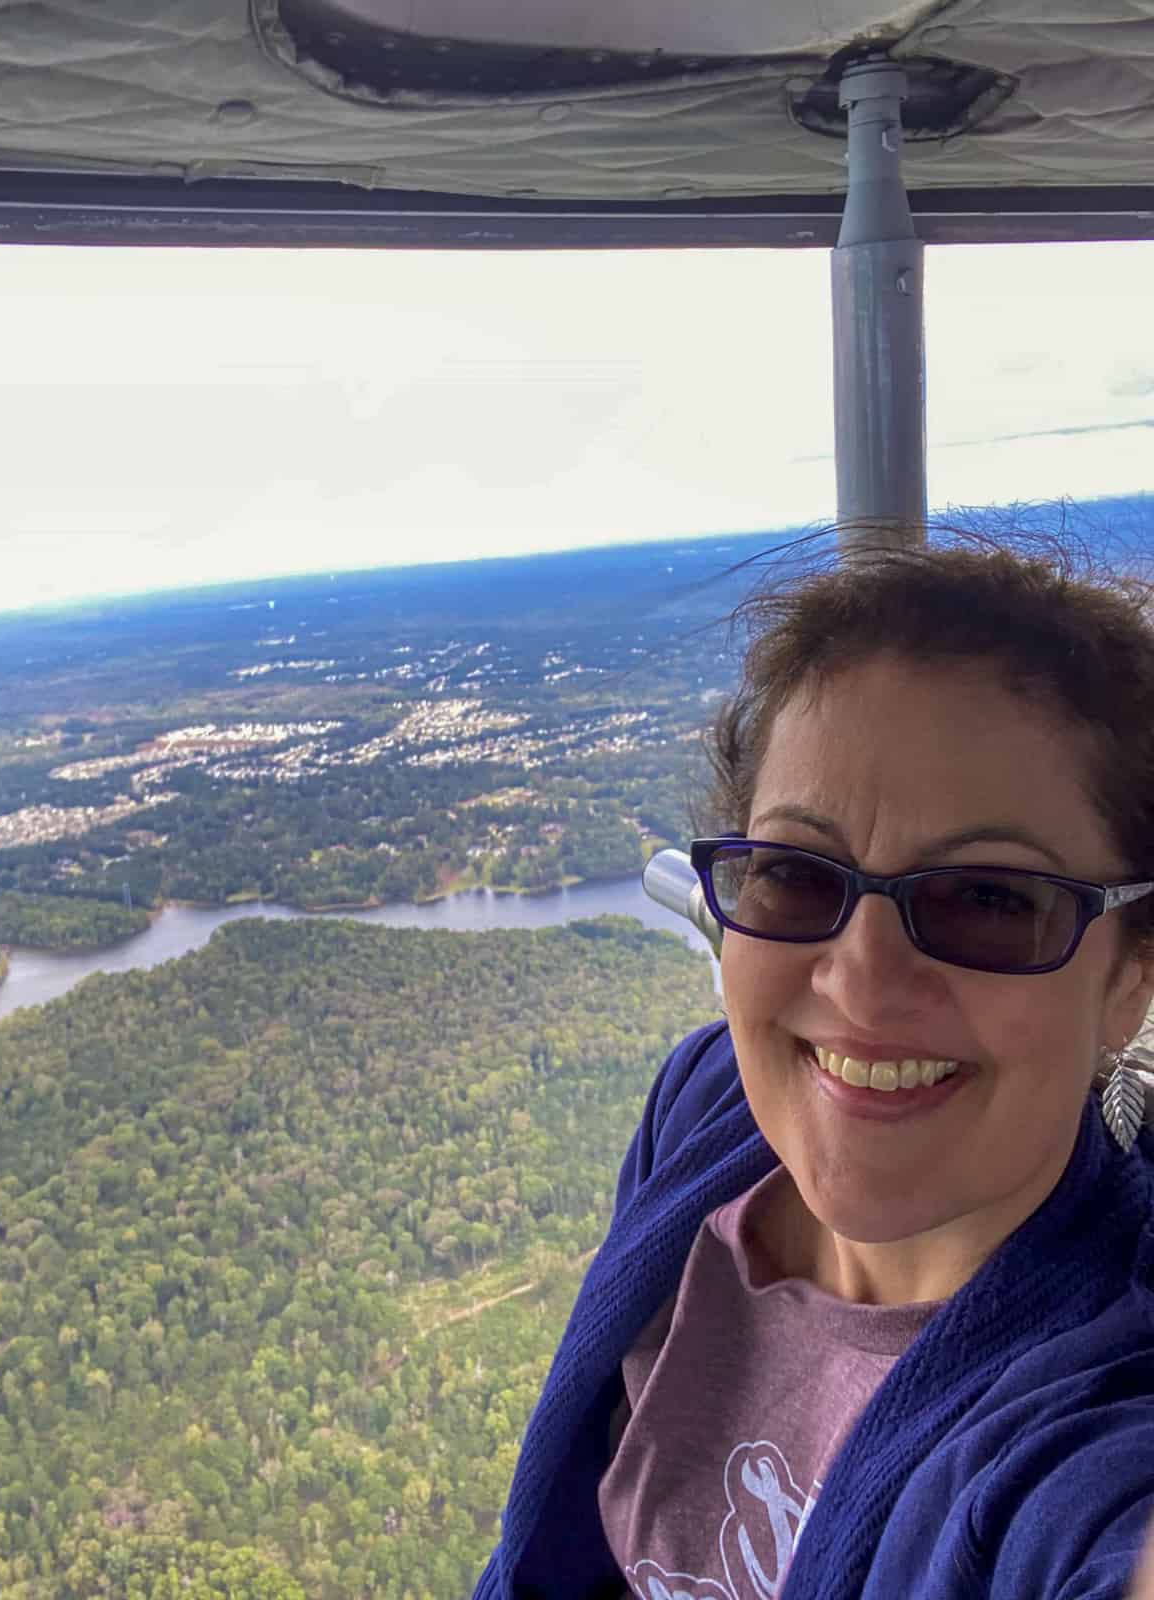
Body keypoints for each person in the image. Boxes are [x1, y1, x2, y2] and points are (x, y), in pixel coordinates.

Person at [472, 532, 1154, 1600]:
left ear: (1130, 979)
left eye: (987, 898)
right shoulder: (705, 1112)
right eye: (795, 873)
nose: (864, 981)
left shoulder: (1095, 1413)